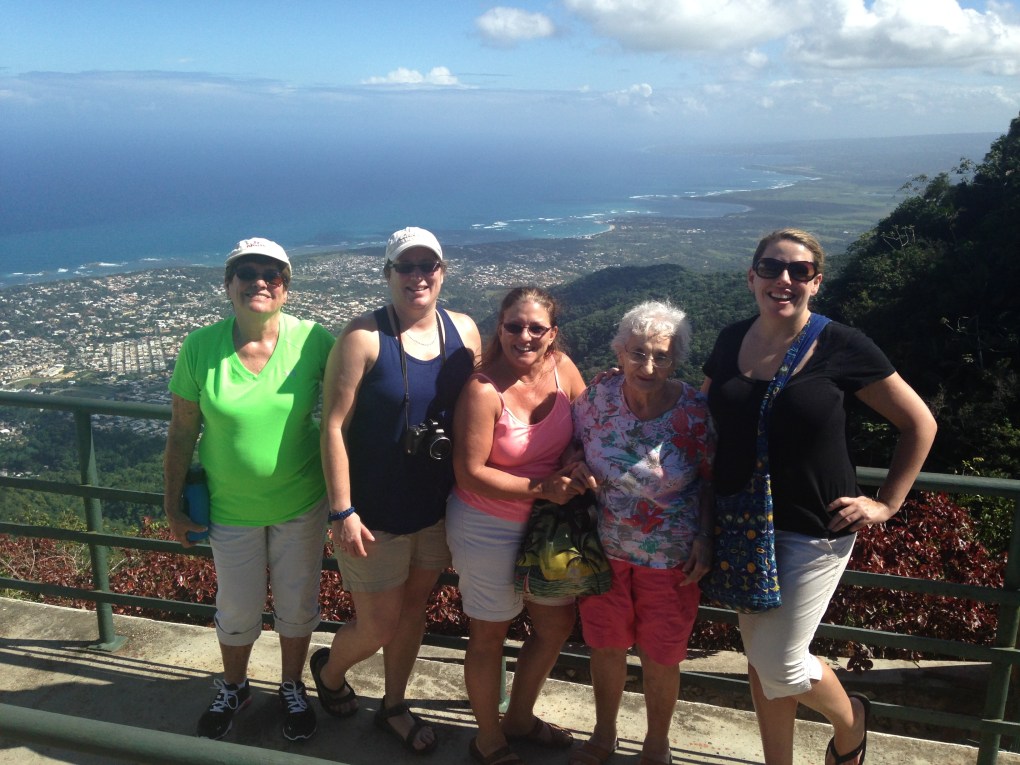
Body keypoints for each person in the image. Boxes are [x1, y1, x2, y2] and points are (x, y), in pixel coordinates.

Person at [702, 228, 937, 765]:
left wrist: (888, 503)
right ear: (752, 277)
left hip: (816, 527)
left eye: (799, 270)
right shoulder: (732, 338)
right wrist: (633, 389)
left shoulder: (842, 344)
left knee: (779, 660)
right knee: (762, 658)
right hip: (743, 524)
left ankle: (851, 720)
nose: (783, 279)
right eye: (771, 267)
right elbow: (703, 414)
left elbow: (919, 423)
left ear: (816, 282)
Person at [310, 226, 480, 755]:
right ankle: (329, 672)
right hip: (373, 512)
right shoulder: (364, 336)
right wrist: (342, 510)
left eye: (428, 265)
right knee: (378, 624)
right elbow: (333, 426)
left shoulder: (465, 331)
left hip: (436, 507)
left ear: (443, 272)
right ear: (388, 274)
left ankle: (394, 705)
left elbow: (486, 404)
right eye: (406, 266)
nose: (418, 276)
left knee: (412, 613)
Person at [163, 237, 335, 742]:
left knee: (297, 604)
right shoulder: (201, 347)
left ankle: (291, 685)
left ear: (286, 288)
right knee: (236, 608)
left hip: (301, 502)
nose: (260, 281)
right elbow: (181, 431)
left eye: (272, 274)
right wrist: (172, 505)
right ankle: (235, 686)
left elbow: (350, 408)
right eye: (247, 273)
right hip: (230, 508)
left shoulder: (314, 341)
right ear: (228, 285)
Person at [447, 286, 593, 765]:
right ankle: (488, 737)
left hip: (549, 526)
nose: (524, 336)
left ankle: (521, 718)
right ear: (500, 328)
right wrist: (542, 487)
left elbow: (591, 426)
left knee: (556, 625)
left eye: (536, 328)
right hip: (487, 524)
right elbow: (470, 472)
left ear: (553, 333)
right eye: (514, 326)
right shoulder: (483, 388)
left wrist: (575, 456)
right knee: (490, 634)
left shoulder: (563, 369)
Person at [569, 301, 715, 765]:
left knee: (661, 655)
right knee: (605, 647)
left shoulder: (695, 412)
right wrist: (574, 465)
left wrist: (706, 537)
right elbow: (571, 442)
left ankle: (656, 744)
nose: (648, 366)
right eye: (638, 353)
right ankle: (604, 735)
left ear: (676, 360)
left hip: (672, 557)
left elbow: (712, 479)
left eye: (661, 356)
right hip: (603, 549)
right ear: (620, 352)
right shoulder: (597, 398)